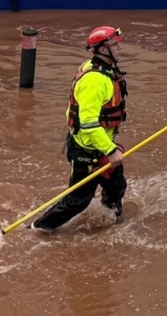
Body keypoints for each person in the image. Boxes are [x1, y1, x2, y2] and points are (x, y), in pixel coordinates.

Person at [32, 26, 129, 232]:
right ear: (103, 50)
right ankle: (38, 229)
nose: (119, 48)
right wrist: (111, 151)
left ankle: (110, 221)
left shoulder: (102, 68)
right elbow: (88, 123)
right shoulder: (95, 80)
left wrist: (108, 148)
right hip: (87, 149)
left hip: (102, 145)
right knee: (77, 200)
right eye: (114, 45)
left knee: (116, 186)